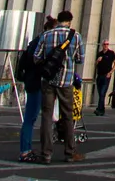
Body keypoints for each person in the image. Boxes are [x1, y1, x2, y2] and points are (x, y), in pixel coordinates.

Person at [34, 10, 85, 163]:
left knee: (47, 116)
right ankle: (70, 152)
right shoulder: (75, 36)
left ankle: (46, 154)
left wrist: (49, 63)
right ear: (69, 21)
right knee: (68, 116)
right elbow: (80, 59)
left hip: (48, 80)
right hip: (66, 81)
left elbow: (36, 57)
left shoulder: (47, 35)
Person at [18, 15, 55, 163]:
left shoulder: (34, 42)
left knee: (31, 117)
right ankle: (25, 151)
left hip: (31, 82)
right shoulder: (41, 44)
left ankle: (26, 149)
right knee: (30, 118)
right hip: (37, 83)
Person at [94, 41, 115, 116]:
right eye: (104, 44)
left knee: (102, 93)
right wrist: (97, 61)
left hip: (106, 75)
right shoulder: (100, 53)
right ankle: (101, 109)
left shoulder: (111, 53)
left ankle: (99, 109)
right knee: (100, 93)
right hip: (99, 75)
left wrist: (110, 72)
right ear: (102, 45)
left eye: (107, 44)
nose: (106, 45)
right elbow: (95, 65)